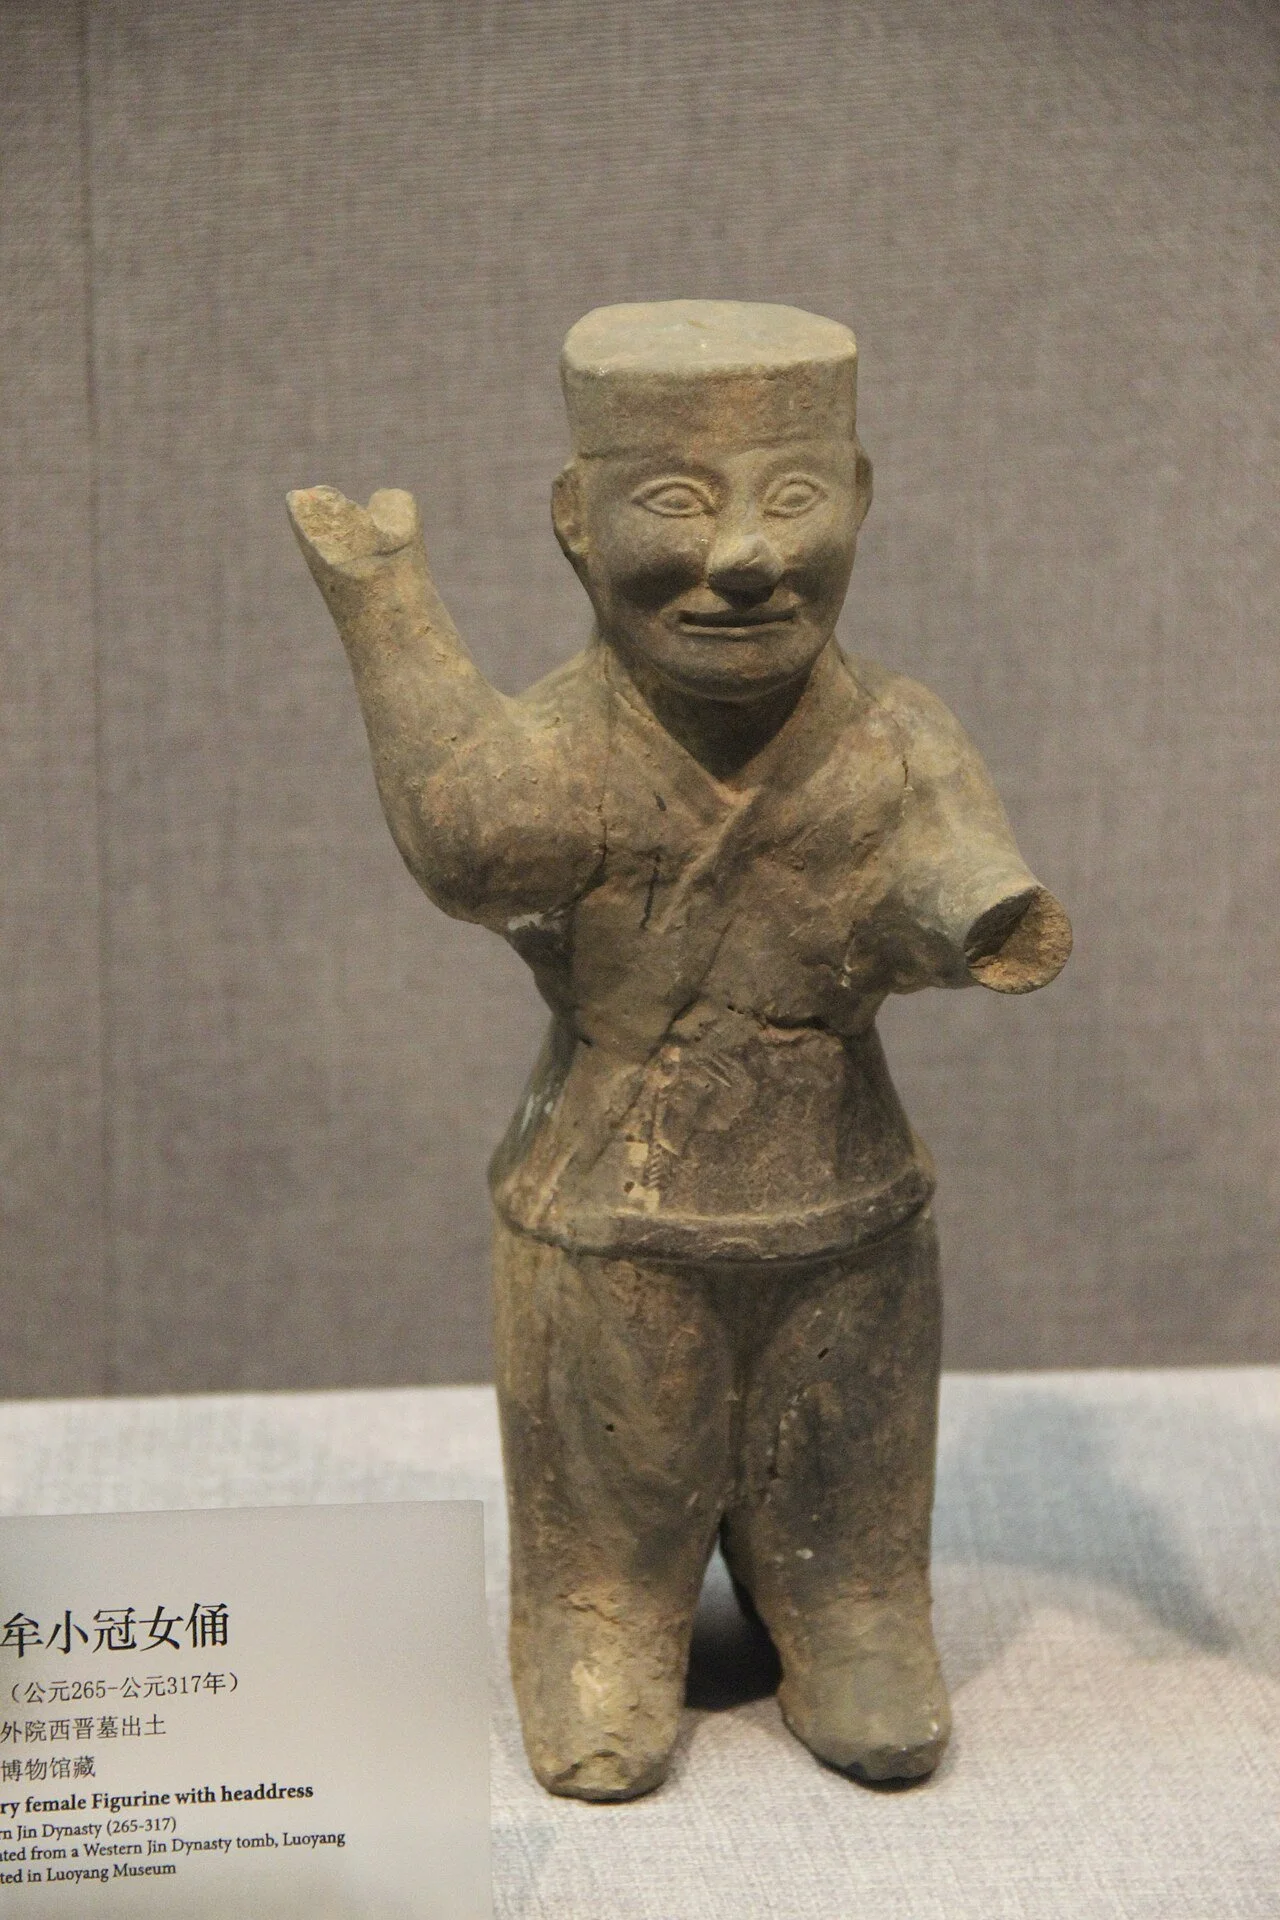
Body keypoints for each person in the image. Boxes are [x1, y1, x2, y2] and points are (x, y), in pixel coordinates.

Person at [288, 300, 1071, 1801]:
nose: (747, 556)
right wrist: (387, 611)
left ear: (860, 497)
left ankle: (854, 1617)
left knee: (845, 1450)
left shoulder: (897, 734)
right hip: (609, 1208)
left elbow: (953, 866)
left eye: (794, 496)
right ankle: (601, 1630)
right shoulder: (568, 747)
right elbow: (471, 842)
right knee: (613, 1473)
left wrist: (967, 913)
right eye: (676, 502)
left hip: (844, 1199)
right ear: (575, 522)